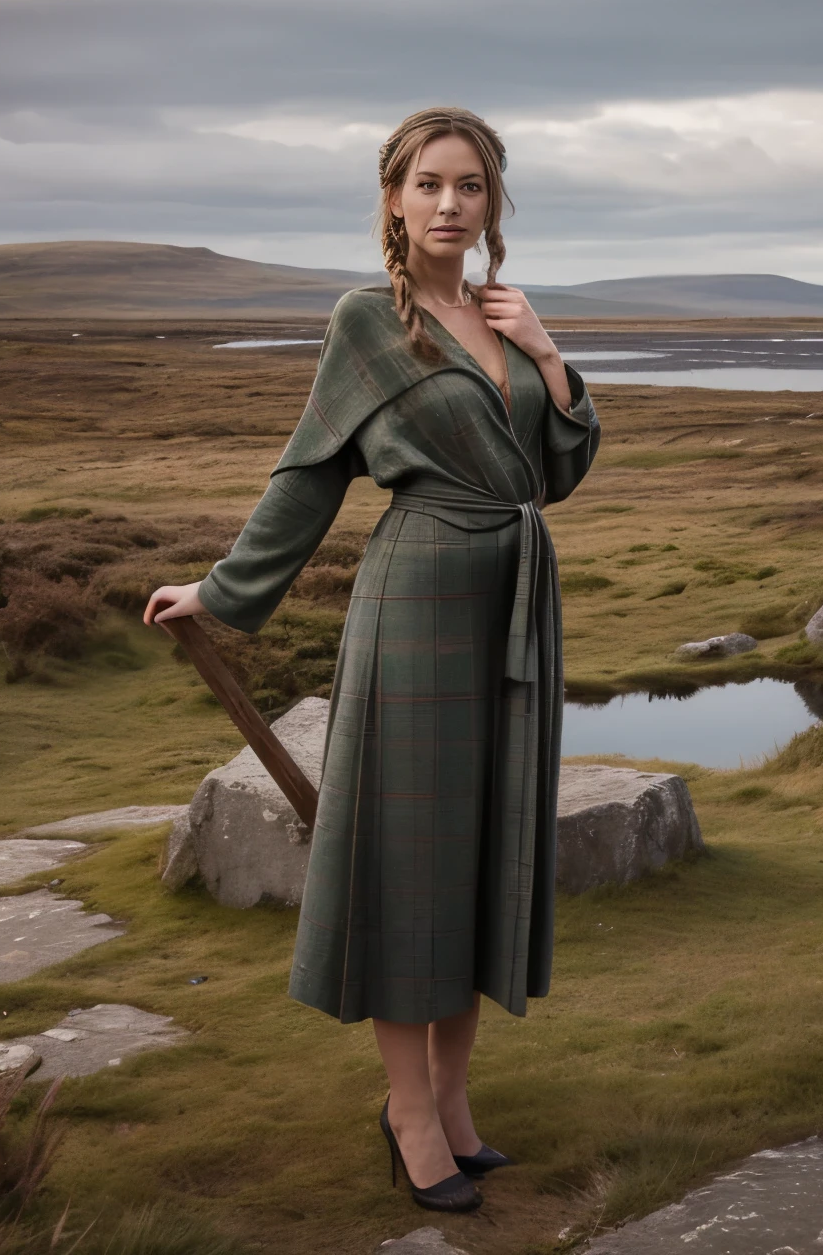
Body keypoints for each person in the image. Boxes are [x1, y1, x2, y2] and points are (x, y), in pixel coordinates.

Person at [143, 106, 600, 1214]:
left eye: (472, 187)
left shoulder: (501, 316)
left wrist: (544, 349)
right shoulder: (366, 322)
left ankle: (454, 1105)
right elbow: (308, 477)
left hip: (513, 601)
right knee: (415, 864)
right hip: (420, 605)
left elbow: (560, 470)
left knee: (486, 850)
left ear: (493, 203)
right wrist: (223, 590)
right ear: (395, 198)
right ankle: (406, 1115)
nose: (451, 204)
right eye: (430, 184)